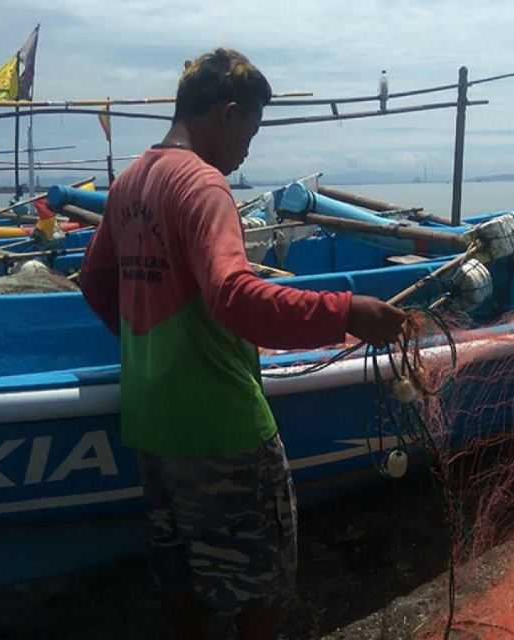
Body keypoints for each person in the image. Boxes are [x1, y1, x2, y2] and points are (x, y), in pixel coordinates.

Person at [79, 48, 406, 639]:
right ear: (228, 114)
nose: (248, 150)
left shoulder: (130, 180)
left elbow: (96, 281)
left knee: (182, 582)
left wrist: (151, 351)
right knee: (263, 585)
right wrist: (346, 313)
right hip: (223, 430)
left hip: (151, 423)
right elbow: (234, 295)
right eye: (250, 132)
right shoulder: (204, 187)